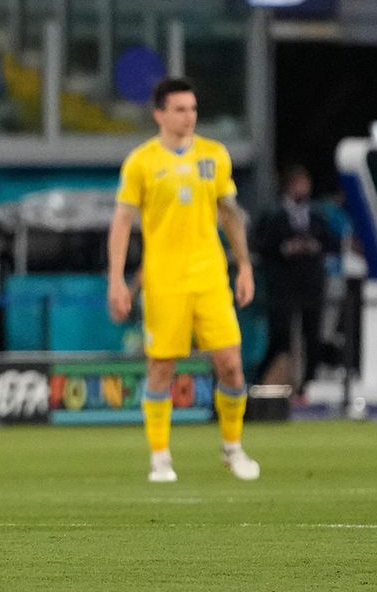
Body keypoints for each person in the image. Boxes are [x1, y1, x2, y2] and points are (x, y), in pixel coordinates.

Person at [105, 77, 259, 484]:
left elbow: (228, 213)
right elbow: (122, 221)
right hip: (164, 279)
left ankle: (232, 447)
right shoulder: (141, 162)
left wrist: (243, 266)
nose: (188, 116)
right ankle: (159, 457)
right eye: (179, 109)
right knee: (161, 367)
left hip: (209, 276)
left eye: (192, 109)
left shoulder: (215, 155)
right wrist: (117, 280)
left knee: (230, 364)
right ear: (159, 113)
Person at [252, 165, 336, 392]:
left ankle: (309, 385)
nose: (303, 188)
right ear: (289, 186)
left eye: (305, 183)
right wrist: (286, 248)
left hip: (311, 284)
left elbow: (331, 243)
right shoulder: (273, 216)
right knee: (280, 337)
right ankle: (260, 382)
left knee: (312, 335)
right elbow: (262, 246)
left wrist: (313, 246)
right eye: (299, 183)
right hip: (283, 285)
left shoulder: (317, 216)